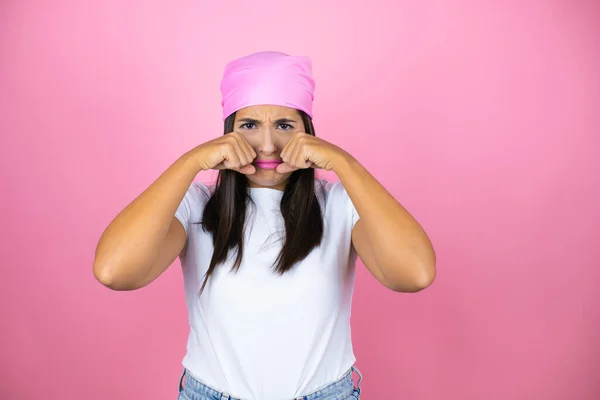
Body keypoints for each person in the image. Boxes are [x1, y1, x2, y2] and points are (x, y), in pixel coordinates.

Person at [93, 51, 436, 400]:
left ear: (308, 132)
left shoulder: (340, 204)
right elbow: (113, 271)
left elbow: (415, 274)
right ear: (228, 131)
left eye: (285, 125)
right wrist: (190, 162)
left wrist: (344, 162)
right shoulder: (196, 204)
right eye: (249, 125)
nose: (268, 145)